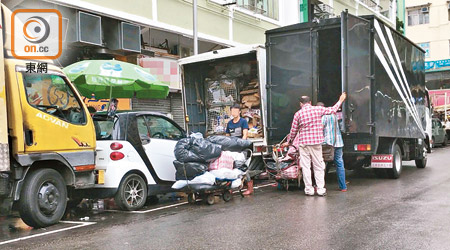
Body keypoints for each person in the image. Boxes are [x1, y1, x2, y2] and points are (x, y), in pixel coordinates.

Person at [283, 93, 346, 196]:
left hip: (303, 144)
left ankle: (309, 189)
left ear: (300, 104)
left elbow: (293, 131)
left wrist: (289, 142)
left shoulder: (298, 114)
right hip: (316, 143)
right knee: (318, 166)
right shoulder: (317, 109)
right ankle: (321, 189)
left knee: (306, 166)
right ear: (310, 102)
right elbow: (332, 110)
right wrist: (340, 100)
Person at [317, 102, 347, 192]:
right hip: (338, 142)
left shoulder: (323, 117)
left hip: (327, 144)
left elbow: (320, 129)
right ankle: (343, 187)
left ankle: (320, 186)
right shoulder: (334, 115)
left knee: (322, 164)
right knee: (339, 164)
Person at [226, 104, 252, 195]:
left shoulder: (243, 121)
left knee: (243, 167)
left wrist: (241, 145)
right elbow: (227, 137)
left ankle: (249, 188)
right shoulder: (229, 123)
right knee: (230, 166)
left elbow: (245, 135)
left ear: (239, 112)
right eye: (232, 111)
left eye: (235, 111)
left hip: (242, 148)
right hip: (232, 148)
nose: (234, 113)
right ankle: (229, 188)